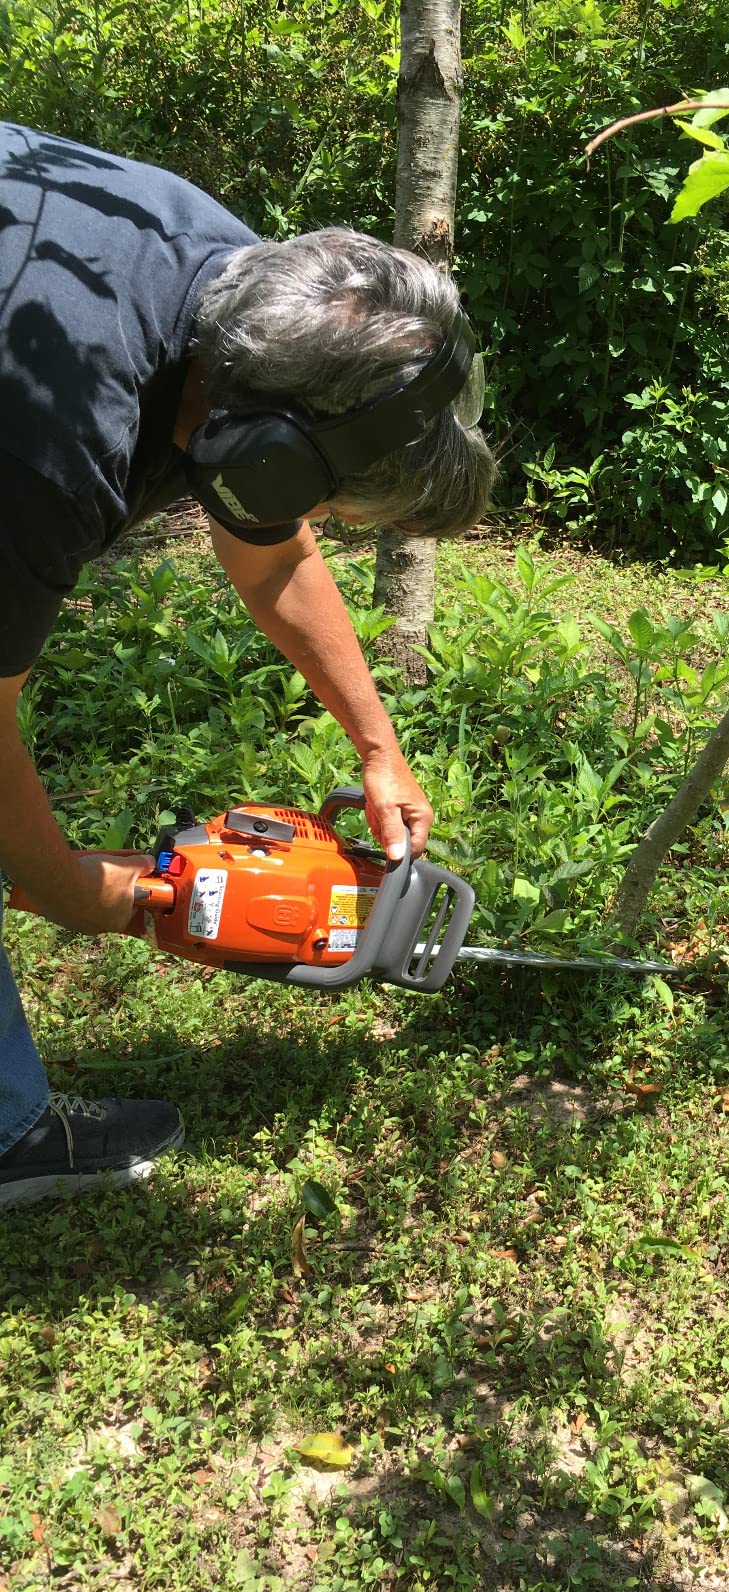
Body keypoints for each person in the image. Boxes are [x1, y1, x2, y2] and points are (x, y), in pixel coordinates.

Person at [0, 122, 496, 1208]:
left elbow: (270, 549)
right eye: (323, 495)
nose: (313, 517)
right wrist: (69, 886)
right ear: (264, 450)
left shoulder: (241, 285)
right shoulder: (48, 435)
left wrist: (380, 747)